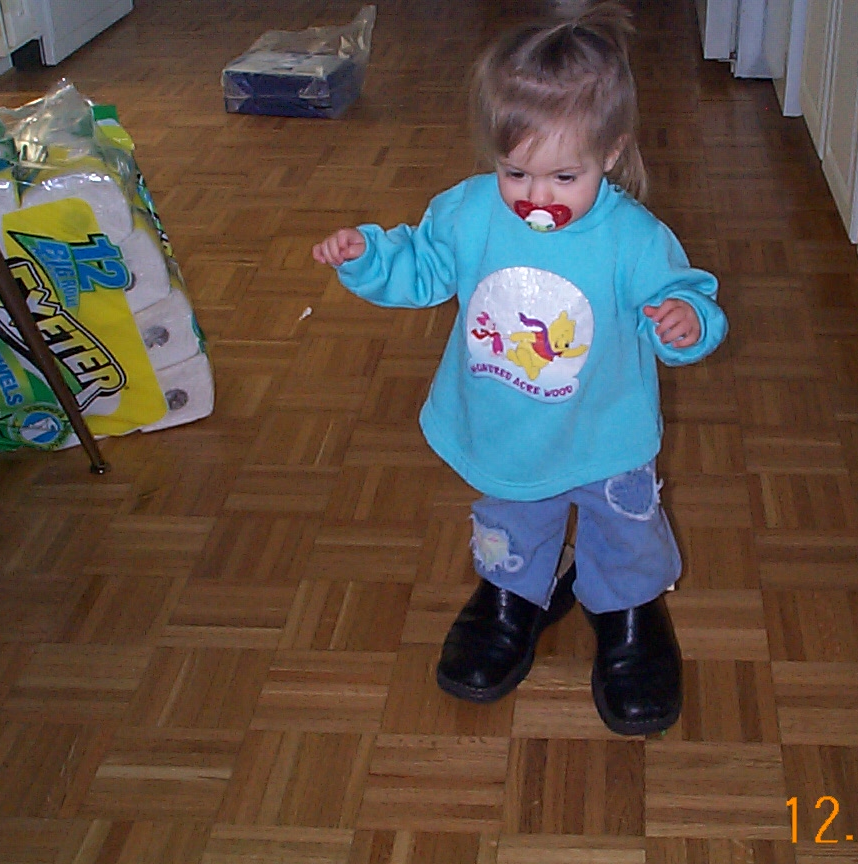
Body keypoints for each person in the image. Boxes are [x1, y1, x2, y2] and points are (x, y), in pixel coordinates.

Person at [312, 0, 728, 735]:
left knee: (625, 531)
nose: (537, 200)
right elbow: (423, 264)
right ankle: (511, 595)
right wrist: (370, 257)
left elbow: (685, 297)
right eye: (516, 173)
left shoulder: (634, 238)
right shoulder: (469, 212)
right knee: (511, 518)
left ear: (610, 153)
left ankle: (628, 612)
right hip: (505, 424)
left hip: (606, 433)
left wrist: (686, 322)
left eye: (564, 177)